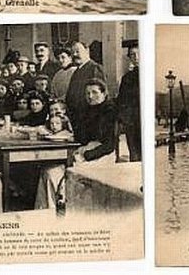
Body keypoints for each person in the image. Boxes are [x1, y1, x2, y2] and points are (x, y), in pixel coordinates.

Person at [36, 79, 117, 210]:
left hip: (101, 157)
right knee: (48, 172)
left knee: (52, 173)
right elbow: (81, 138)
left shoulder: (110, 111)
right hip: (85, 153)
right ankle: (46, 213)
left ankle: (58, 210)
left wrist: (86, 154)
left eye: (94, 92)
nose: (90, 96)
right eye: (87, 93)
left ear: (104, 94)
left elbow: (109, 145)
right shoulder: (87, 110)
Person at [65, 41, 106, 139]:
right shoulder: (77, 71)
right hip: (77, 120)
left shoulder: (94, 68)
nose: (75, 55)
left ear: (87, 51)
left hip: (90, 120)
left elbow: (98, 98)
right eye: (72, 52)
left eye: (77, 51)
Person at [116, 39, 141, 162]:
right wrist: (124, 120)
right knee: (134, 155)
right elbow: (121, 101)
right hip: (132, 123)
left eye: (138, 53)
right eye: (132, 55)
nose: (136, 57)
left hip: (143, 121)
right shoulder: (127, 78)